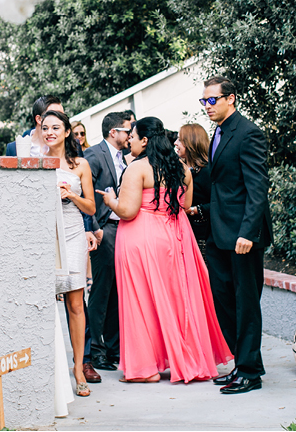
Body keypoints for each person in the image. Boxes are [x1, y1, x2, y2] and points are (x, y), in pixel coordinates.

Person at [97, 117, 232, 383]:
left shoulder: (137, 168)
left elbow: (128, 211)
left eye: (133, 136)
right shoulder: (181, 169)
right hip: (175, 237)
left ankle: (145, 368)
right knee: (177, 299)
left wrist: (111, 200)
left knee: (141, 301)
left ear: (145, 140)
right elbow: (185, 205)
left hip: (141, 237)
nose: (130, 141)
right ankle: (188, 358)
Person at [200, 76, 273, 394]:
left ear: (230, 98)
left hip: (243, 235)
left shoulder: (248, 133)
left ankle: (250, 372)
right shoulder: (218, 133)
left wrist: (248, 233)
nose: (207, 106)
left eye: (212, 100)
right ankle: (241, 363)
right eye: (203, 101)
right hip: (219, 233)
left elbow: (257, 188)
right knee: (223, 300)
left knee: (246, 304)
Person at [42, 110, 98, 398]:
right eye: (45, 128)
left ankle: (78, 368)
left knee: (76, 303)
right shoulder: (36, 163)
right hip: (45, 234)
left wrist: (72, 195)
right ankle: (48, 368)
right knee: (45, 302)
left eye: (55, 127)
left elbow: (91, 207)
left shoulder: (81, 165)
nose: (49, 132)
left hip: (74, 232)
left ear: (66, 132)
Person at [84, 111, 131, 371]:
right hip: (104, 229)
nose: (130, 135)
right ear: (114, 132)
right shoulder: (94, 155)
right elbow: (84, 193)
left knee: (116, 291)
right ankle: (96, 350)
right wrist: (94, 227)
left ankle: (114, 348)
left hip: (122, 228)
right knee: (101, 291)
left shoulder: (125, 157)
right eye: (127, 130)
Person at [176, 123, 211, 261]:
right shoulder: (181, 170)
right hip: (184, 234)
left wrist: (194, 210)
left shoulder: (206, 172)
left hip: (203, 237)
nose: (175, 143)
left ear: (191, 143)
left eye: (180, 140)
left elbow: (218, 203)